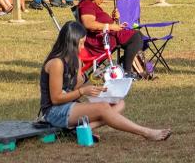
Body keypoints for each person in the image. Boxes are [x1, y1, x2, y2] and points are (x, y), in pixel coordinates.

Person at [38, 21, 170, 140]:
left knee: (118, 103)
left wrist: (94, 78)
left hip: (69, 106)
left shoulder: (74, 58)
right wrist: (82, 91)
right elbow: (56, 99)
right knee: (103, 108)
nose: (83, 48)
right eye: (81, 43)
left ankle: (83, 129)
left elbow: (74, 86)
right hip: (54, 112)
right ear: (71, 42)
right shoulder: (56, 63)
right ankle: (146, 132)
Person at [78, 0, 146, 78]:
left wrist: (114, 19)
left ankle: (127, 67)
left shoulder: (93, 5)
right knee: (136, 37)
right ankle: (126, 71)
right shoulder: (86, 6)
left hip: (107, 36)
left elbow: (102, 24)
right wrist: (111, 26)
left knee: (137, 36)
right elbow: (89, 24)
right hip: (99, 42)